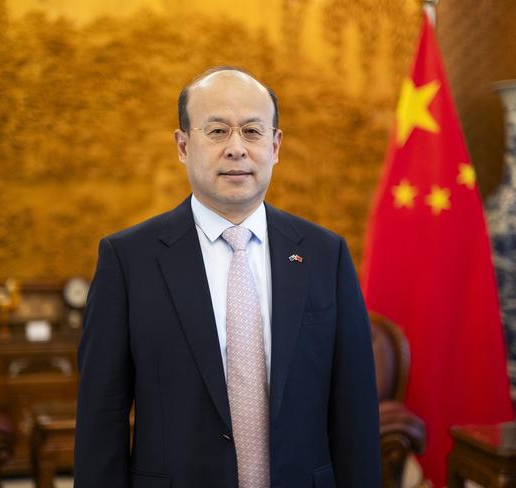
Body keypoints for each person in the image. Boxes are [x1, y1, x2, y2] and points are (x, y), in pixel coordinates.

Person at [74, 66, 381, 488]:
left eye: (252, 132)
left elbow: (355, 411)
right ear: (183, 146)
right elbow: (101, 416)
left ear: (275, 146)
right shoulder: (128, 260)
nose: (237, 148)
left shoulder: (326, 255)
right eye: (217, 131)